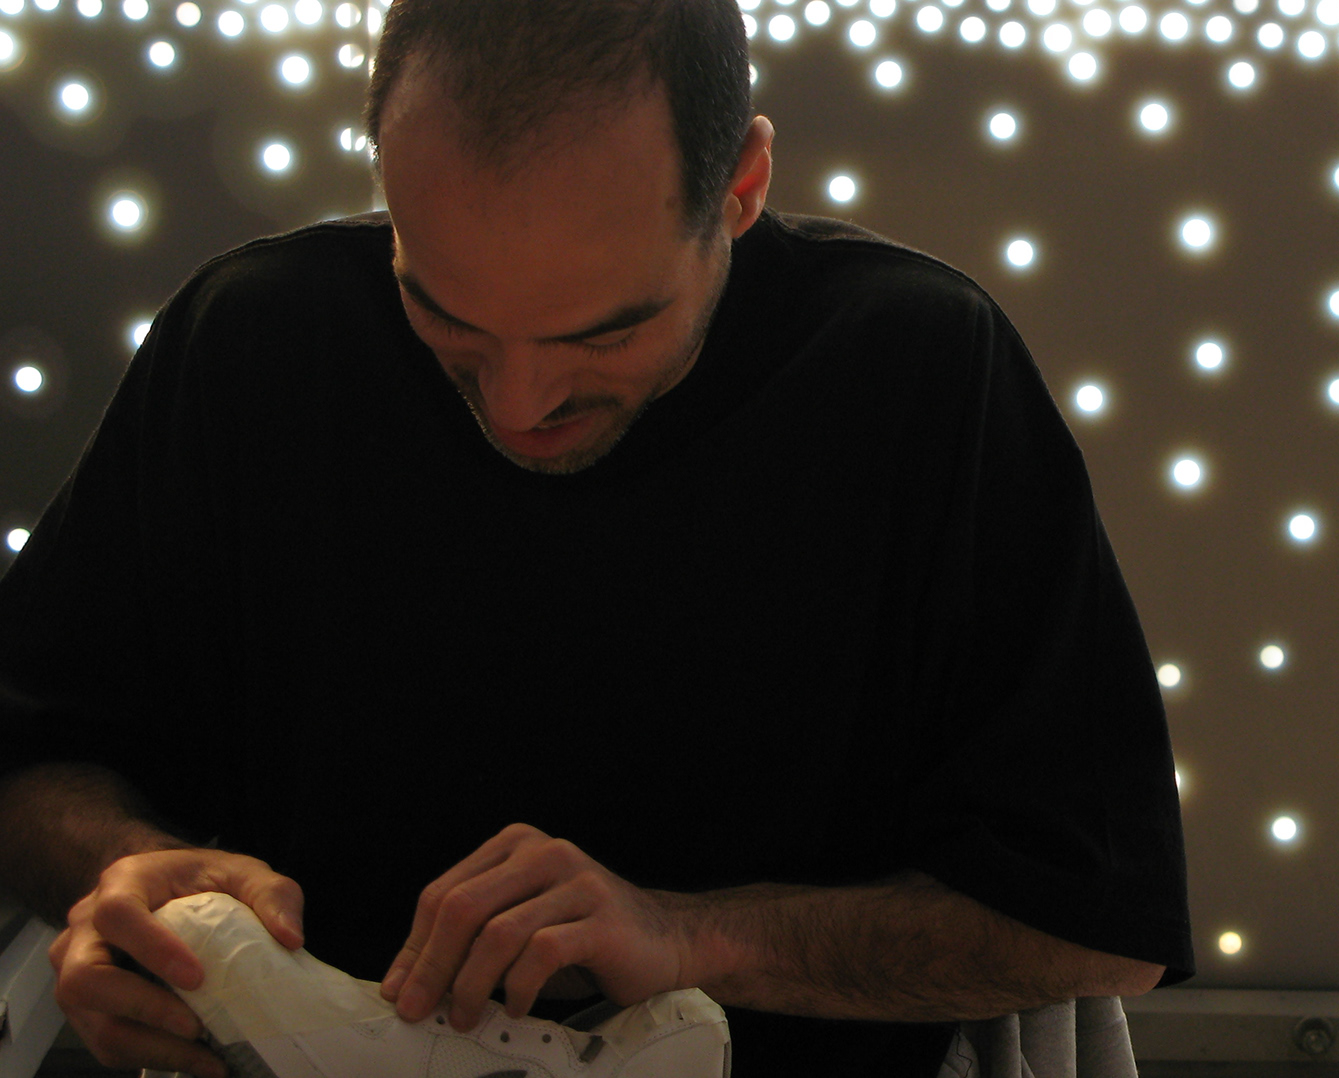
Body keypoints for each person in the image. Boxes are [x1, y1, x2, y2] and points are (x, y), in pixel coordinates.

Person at [0, 0, 1195, 1075]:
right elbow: (30, 762)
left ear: (740, 186)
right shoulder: (255, 340)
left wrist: (690, 936)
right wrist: (126, 879)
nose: (518, 406)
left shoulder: (918, 371)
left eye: (603, 335)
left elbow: (1099, 926)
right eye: (443, 314)